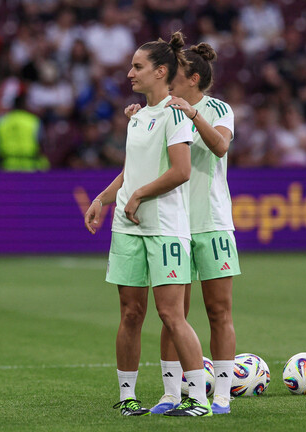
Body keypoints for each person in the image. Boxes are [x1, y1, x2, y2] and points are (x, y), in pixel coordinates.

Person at [84, 32, 212, 417]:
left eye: (137, 67)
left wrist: (139, 195)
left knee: (172, 314)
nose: (129, 73)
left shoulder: (176, 115)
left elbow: (182, 171)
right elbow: (131, 171)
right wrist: (103, 199)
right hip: (127, 227)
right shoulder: (136, 118)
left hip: (165, 227)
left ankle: (199, 398)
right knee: (130, 313)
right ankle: (127, 397)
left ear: (160, 71)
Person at [125, 42, 242, 415]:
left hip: (211, 222)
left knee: (218, 310)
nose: (169, 80)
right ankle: (171, 393)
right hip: (173, 225)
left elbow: (221, 147)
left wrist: (193, 114)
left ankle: (221, 394)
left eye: (176, 75)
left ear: (192, 79)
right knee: (173, 313)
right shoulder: (162, 110)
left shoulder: (217, 109)